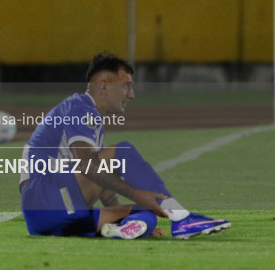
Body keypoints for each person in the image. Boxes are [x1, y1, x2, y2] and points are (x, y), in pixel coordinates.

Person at [19, 51, 231, 240]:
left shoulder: (87, 116)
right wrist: (136, 193)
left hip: (47, 219)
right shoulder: (79, 108)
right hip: (45, 196)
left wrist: (137, 211)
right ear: (104, 85)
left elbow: (101, 185)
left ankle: (125, 229)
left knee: (145, 213)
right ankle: (181, 217)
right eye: (126, 86)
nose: (131, 94)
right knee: (122, 152)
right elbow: (85, 164)